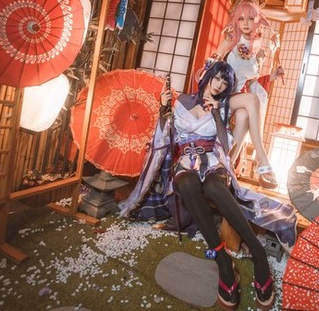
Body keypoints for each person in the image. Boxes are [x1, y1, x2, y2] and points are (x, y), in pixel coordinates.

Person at [120, 61, 297, 311]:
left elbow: (225, 140)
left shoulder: (222, 106)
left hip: (213, 162)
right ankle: (223, 261)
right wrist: (163, 108)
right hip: (186, 162)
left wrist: (216, 114)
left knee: (213, 187)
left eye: (225, 82)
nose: (220, 85)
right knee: (187, 183)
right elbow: (165, 137)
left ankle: (258, 254)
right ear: (208, 76)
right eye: (218, 78)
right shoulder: (181, 101)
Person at [211, 0, 284, 189]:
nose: (245, 23)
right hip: (221, 95)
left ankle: (227, 167)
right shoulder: (230, 39)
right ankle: (263, 159)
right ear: (236, 20)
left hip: (239, 99)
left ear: (257, 21)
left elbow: (249, 81)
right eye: (241, 18)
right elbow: (210, 68)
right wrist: (219, 51)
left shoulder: (256, 49)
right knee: (250, 100)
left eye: (251, 18)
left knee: (244, 114)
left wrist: (272, 76)